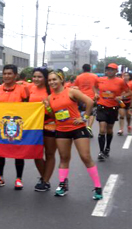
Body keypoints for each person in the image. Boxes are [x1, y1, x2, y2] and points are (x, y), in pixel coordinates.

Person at [46, 71, 102, 199]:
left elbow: (89, 102)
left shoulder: (71, 91)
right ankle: (62, 185)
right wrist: (48, 108)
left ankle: (98, 187)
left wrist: (85, 117)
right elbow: (53, 116)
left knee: (85, 157)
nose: (52, 82)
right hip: (61, 130)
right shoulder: (50, 97)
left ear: (61, 80)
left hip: (77, 128)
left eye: (54, 79)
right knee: (64, 157)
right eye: (49, 80)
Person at [0, 64, 29, 189]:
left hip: (17, 126)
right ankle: (0, 177)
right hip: (1, 126)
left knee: (19, 152)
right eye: (5, 73)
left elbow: (28, 107)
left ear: (15, 75)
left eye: (9, 74)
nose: (6, 76)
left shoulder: (22, 89)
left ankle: (19, 178)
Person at [94, 63, 131, 161]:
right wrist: (96, 94)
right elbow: (94, 87)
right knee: (102, 130)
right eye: (108, 69)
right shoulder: (100, 79)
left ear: (116, 71)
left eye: (111, 69)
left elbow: (129, 92)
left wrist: (122, 97)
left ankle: (107, 148)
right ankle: (101, 151)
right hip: (101, 107)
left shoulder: (120, 81)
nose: (109, 71)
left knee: (109, 130)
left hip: (113, 108)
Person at [28, 68, 55, 192]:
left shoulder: (52, 90)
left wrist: (48, 108)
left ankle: (45, 181)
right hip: (34, 125)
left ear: (45, 78)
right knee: (36, 154)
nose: (36, 79)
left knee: (49, 153)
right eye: (34, 76)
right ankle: (45, 178)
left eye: (39, 77)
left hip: (50, 123)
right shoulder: (30, 88)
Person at [73, 64, 99, 133]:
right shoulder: (95, 76)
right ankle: (89, 127)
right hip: (92, 98)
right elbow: (97, 87)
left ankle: (83, 128)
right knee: (91, 113)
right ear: (90, 69)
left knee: (82, 113)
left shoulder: (78, 77)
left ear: (83, 69)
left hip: (81, 98)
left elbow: (75, 87)